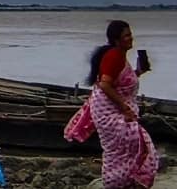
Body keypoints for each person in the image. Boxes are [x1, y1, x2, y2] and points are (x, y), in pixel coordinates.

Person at [63, 20, 158, 189]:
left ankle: (126, 182)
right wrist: (125, 108)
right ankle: (116, 183)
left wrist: (138, 72)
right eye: (126, 35)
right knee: (130, 147)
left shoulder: (119, 55)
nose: (131, 38)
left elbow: (119, 82)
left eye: (130, 34)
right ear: (116, 40)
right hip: (110, 113)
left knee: (127, 150)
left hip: (114, 111)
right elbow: (105, 84)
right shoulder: (114, 55)